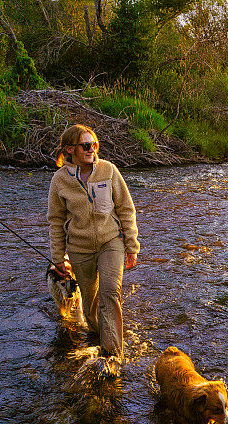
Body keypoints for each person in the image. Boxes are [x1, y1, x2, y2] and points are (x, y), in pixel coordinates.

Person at [47, 124, 140, 361]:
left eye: (94, 145)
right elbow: (56, 221)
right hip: (79, 249)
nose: (92, 150)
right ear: (70, 149)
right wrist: (58, 257)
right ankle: (99, 335)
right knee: (90, 306)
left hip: (111, 241)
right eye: (86, 145)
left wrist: (132, 245)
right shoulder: (59, 181)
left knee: (110, 293)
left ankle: (112, 356)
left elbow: (126, 209)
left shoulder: (108, 171)